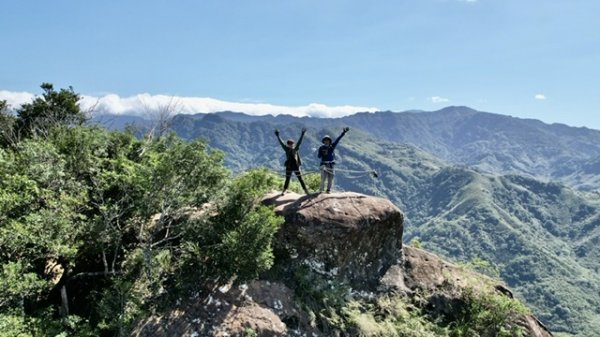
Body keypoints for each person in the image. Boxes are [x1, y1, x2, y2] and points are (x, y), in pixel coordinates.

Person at [275, 128, 309, 195]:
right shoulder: (286, 149)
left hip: (295, 166)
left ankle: (306, 191)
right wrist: (278, 136)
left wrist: (302, 135)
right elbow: (281, 143)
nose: (291, 145)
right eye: (289, 144)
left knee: (300, 179)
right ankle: (284, 191)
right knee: (287, 179)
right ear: (288, 144)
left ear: (293, 144)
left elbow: (299, 142)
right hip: (289, 166)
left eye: (292, 144)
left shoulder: (295, 149)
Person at [318, 127, 349, 193]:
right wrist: (322, 153)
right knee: (323, 178)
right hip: (324, 165)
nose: (326, 141)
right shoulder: (321, 148)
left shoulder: (332, 146)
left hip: (331, 165)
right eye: (325, 140)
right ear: (323, 141)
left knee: (330, 178)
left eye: (327, 140)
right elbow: (319, 156)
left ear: (329, 141)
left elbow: (338, 139)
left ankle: (328, 190)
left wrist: (343, 133)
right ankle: (321, 190)